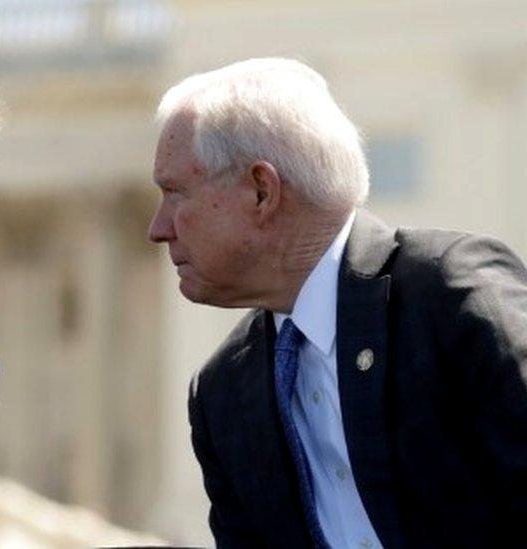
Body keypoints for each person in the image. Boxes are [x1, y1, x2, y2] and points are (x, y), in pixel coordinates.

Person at [148, 58, 527, 548]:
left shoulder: (453, 298)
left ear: (262, 191)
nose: (157, 228)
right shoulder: (223, 395)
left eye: (175, 194)